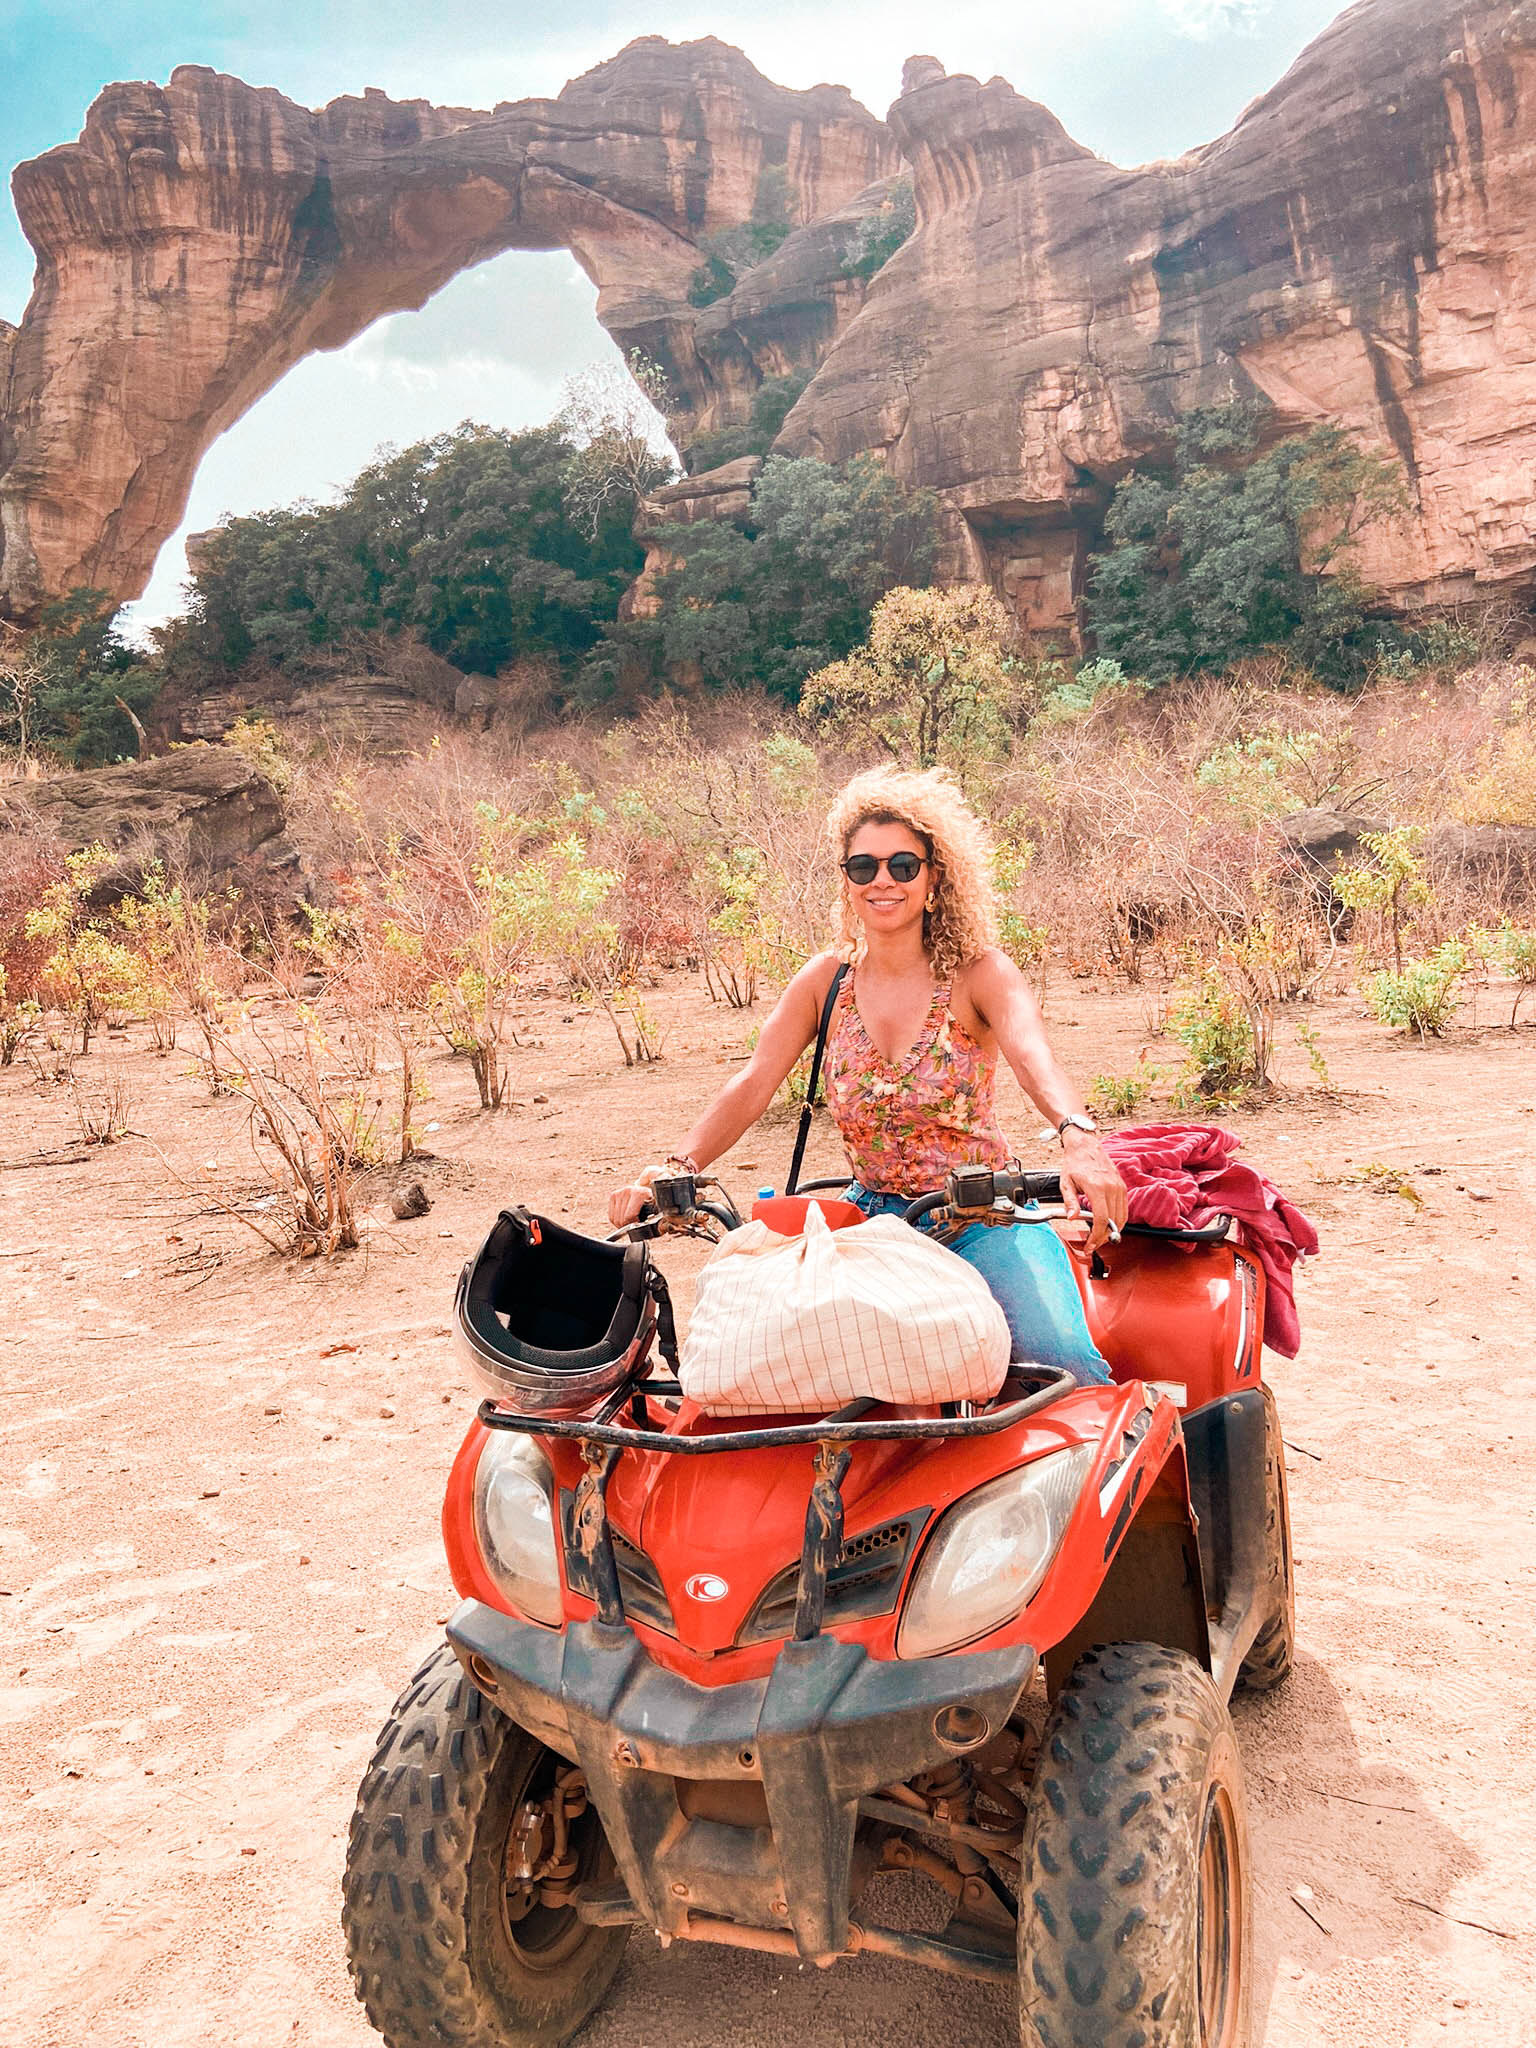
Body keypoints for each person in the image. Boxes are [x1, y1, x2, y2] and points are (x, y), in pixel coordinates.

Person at [610, 766, 1129, 1379]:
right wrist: (677, 1169)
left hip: (982, 1213)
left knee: (1057, 1363)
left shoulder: (979, 973)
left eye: (902, 866)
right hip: (869, 1223)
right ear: (848, 882)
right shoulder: (825, 980)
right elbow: (753, 1082)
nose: (883, 881)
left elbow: (1034, 1057)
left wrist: (1079, 1137)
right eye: (864, 868)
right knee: (779, 1361)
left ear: (934, 878)